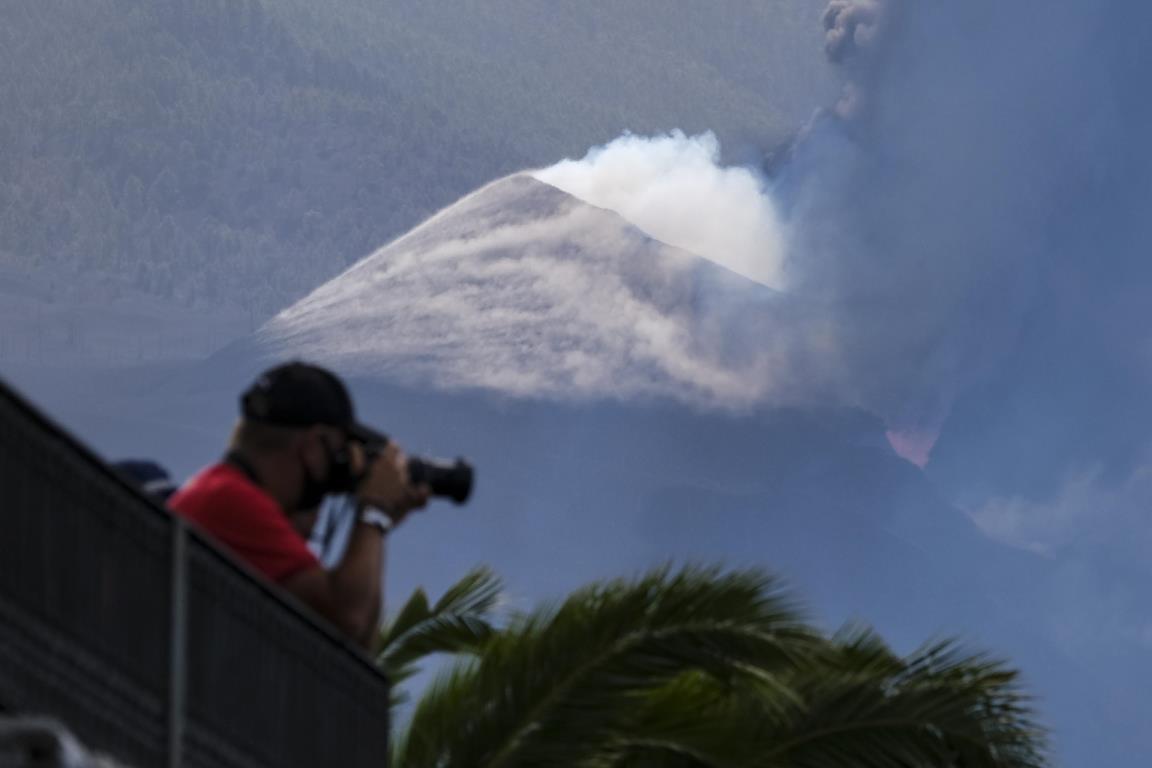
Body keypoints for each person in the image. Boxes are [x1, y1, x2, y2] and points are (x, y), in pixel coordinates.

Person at [169, 362, 428, 649]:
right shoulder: (230, 499)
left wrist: (380, 521)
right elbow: (347, 620)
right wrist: (374, 508)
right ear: (313, 446)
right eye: (340, 451)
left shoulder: (219, 490)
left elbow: (356, 650)